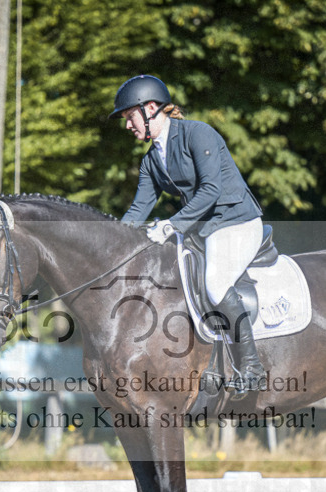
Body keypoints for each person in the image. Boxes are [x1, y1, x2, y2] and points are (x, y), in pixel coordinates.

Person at [110, 74, 268, 391]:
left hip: (236, 221)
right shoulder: (151, 161)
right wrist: (112, 242)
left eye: (130, 117)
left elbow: (211, 190)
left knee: (215, 282)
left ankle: (251, 367)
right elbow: (138, 210)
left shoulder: (198, 134)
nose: (128, 126)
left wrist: (171, 225)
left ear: (150, 108)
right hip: (201, 230)